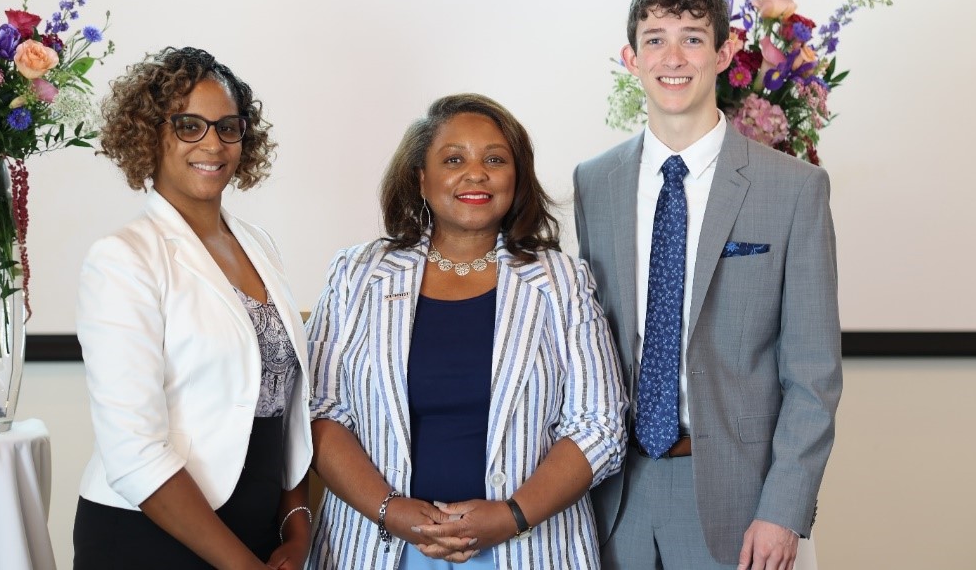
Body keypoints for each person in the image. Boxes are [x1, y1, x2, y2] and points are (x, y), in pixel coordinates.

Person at [574, 0, 843, 570]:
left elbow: (813, 373)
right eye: (655, 39)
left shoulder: (793, 189)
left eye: (693, 38)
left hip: (741, 499)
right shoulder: (595, 184)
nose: (673, 57)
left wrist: (784, 507)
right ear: (630, 58)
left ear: (723, 54)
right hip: (615, 497)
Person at [305, 93, 627, 570]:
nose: (475, 174)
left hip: (528, 548)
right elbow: (321, 413)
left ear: (515, 178)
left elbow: (599, 427)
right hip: (379, 548)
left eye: (494, 159)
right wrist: (391, 512)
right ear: (420, 177)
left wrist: (511, 515)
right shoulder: (356, 274)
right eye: (453, 159)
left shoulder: (561, 281)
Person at [73, 47, 314, 569]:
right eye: (189, 125)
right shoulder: (123, 258)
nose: (213, 143)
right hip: (148, 536)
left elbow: (285, 407)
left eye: (228, 127)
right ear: (149, 133)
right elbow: (133, 452)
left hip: (254, 529)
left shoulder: (258, 244)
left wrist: (297, 529)